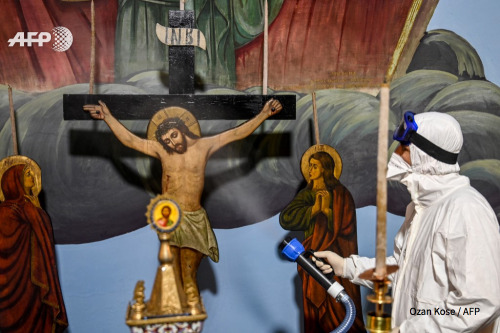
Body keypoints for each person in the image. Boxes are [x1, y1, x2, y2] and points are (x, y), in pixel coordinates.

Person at [83, 98, 282, 314]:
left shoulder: (204, 146)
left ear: (182, 129)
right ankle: (178, 322)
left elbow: (235, 134)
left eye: (174, 135)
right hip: (171, 221)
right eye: (167, 140)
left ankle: (192, 322)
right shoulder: (162, 151)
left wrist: (263, 114)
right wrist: (107, 117)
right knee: (174, 278)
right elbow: (131, 141)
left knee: (188, 276)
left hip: (194, 220)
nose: (172, 142)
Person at [313, 112, 500, 332]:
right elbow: (403, 270)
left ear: (427, 155)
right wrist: (346, 266)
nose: (397, 155)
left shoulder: (466, 209)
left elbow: (480, 304)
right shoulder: (421, 208)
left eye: (405, 148)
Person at [279, 149, 366, 333]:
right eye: (309, 165)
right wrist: (314, 210)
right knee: (315, 314)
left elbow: (347, 227)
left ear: (325, 169)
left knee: (340, 309)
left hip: (337, 259)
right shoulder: (307, 194)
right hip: (311, 259)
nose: (310, 169)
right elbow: (286, 218)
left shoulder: (341, 194)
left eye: (315, 166)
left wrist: (327, 212)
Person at [0, 157, 68, 333]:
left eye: (32, 174)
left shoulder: (32, 208)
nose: (33, 178)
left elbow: (44, 240)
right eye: (27, 174)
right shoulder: (6, 212)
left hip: (35, 284)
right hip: (13, 281)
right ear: (15, 181)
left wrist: (33, 209)